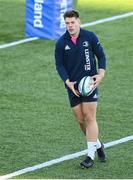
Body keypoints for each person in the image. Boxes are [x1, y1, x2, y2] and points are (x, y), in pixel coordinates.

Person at [55, 9, 107, 168]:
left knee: (89, 116)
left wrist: (101, 74)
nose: (70, 26)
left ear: (78, 22)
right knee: (80, 120)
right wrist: (68, 82)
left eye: (72, 22)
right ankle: (98, 144)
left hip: (89, 83)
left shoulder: (90, 36)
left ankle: (90, 156)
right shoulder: (61, 43)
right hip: (73, 86)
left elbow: (101, 56)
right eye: (67, 23)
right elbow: (59, 65)